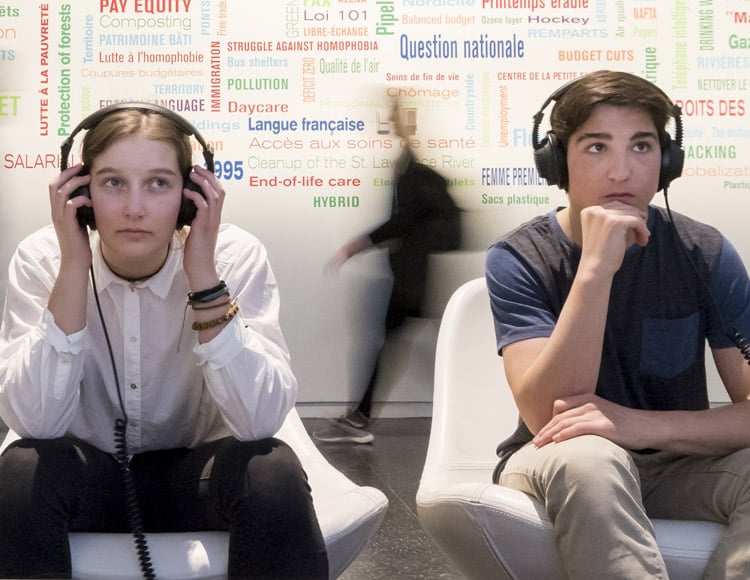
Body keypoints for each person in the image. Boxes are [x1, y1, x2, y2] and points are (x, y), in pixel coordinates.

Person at [0, 104, 329, 579]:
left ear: (192, 195)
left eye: (159, 183)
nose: (135, 207)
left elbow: (259, 420)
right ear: (81, 192)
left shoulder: (233, 255)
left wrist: (204, 277)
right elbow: (36, 422)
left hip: (193, 477)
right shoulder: (42, 259)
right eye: (113, 182)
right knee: (20, 471)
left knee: (270, 471)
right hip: (85, 475)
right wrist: (74, 267)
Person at [485, 70, 750, 579]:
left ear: (667, 162)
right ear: (558, 160)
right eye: (597, 148)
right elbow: (547, 415)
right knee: (592, 461)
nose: (621, 172)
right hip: (555, 458)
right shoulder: (519, 258)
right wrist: (595, 270)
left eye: (642, 147)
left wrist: (639, 425)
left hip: (675, 462)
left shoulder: (706, 253)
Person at [314, 97, 461, 444]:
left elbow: (400, 222)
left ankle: (361, 418)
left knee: (399, 347)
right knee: (406, 348)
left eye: (394, 114)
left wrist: (357, 244)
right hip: (412, 278)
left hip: (412, 281)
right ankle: (361, 416)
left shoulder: (413, 174)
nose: (388, 120)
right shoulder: (408, 168)